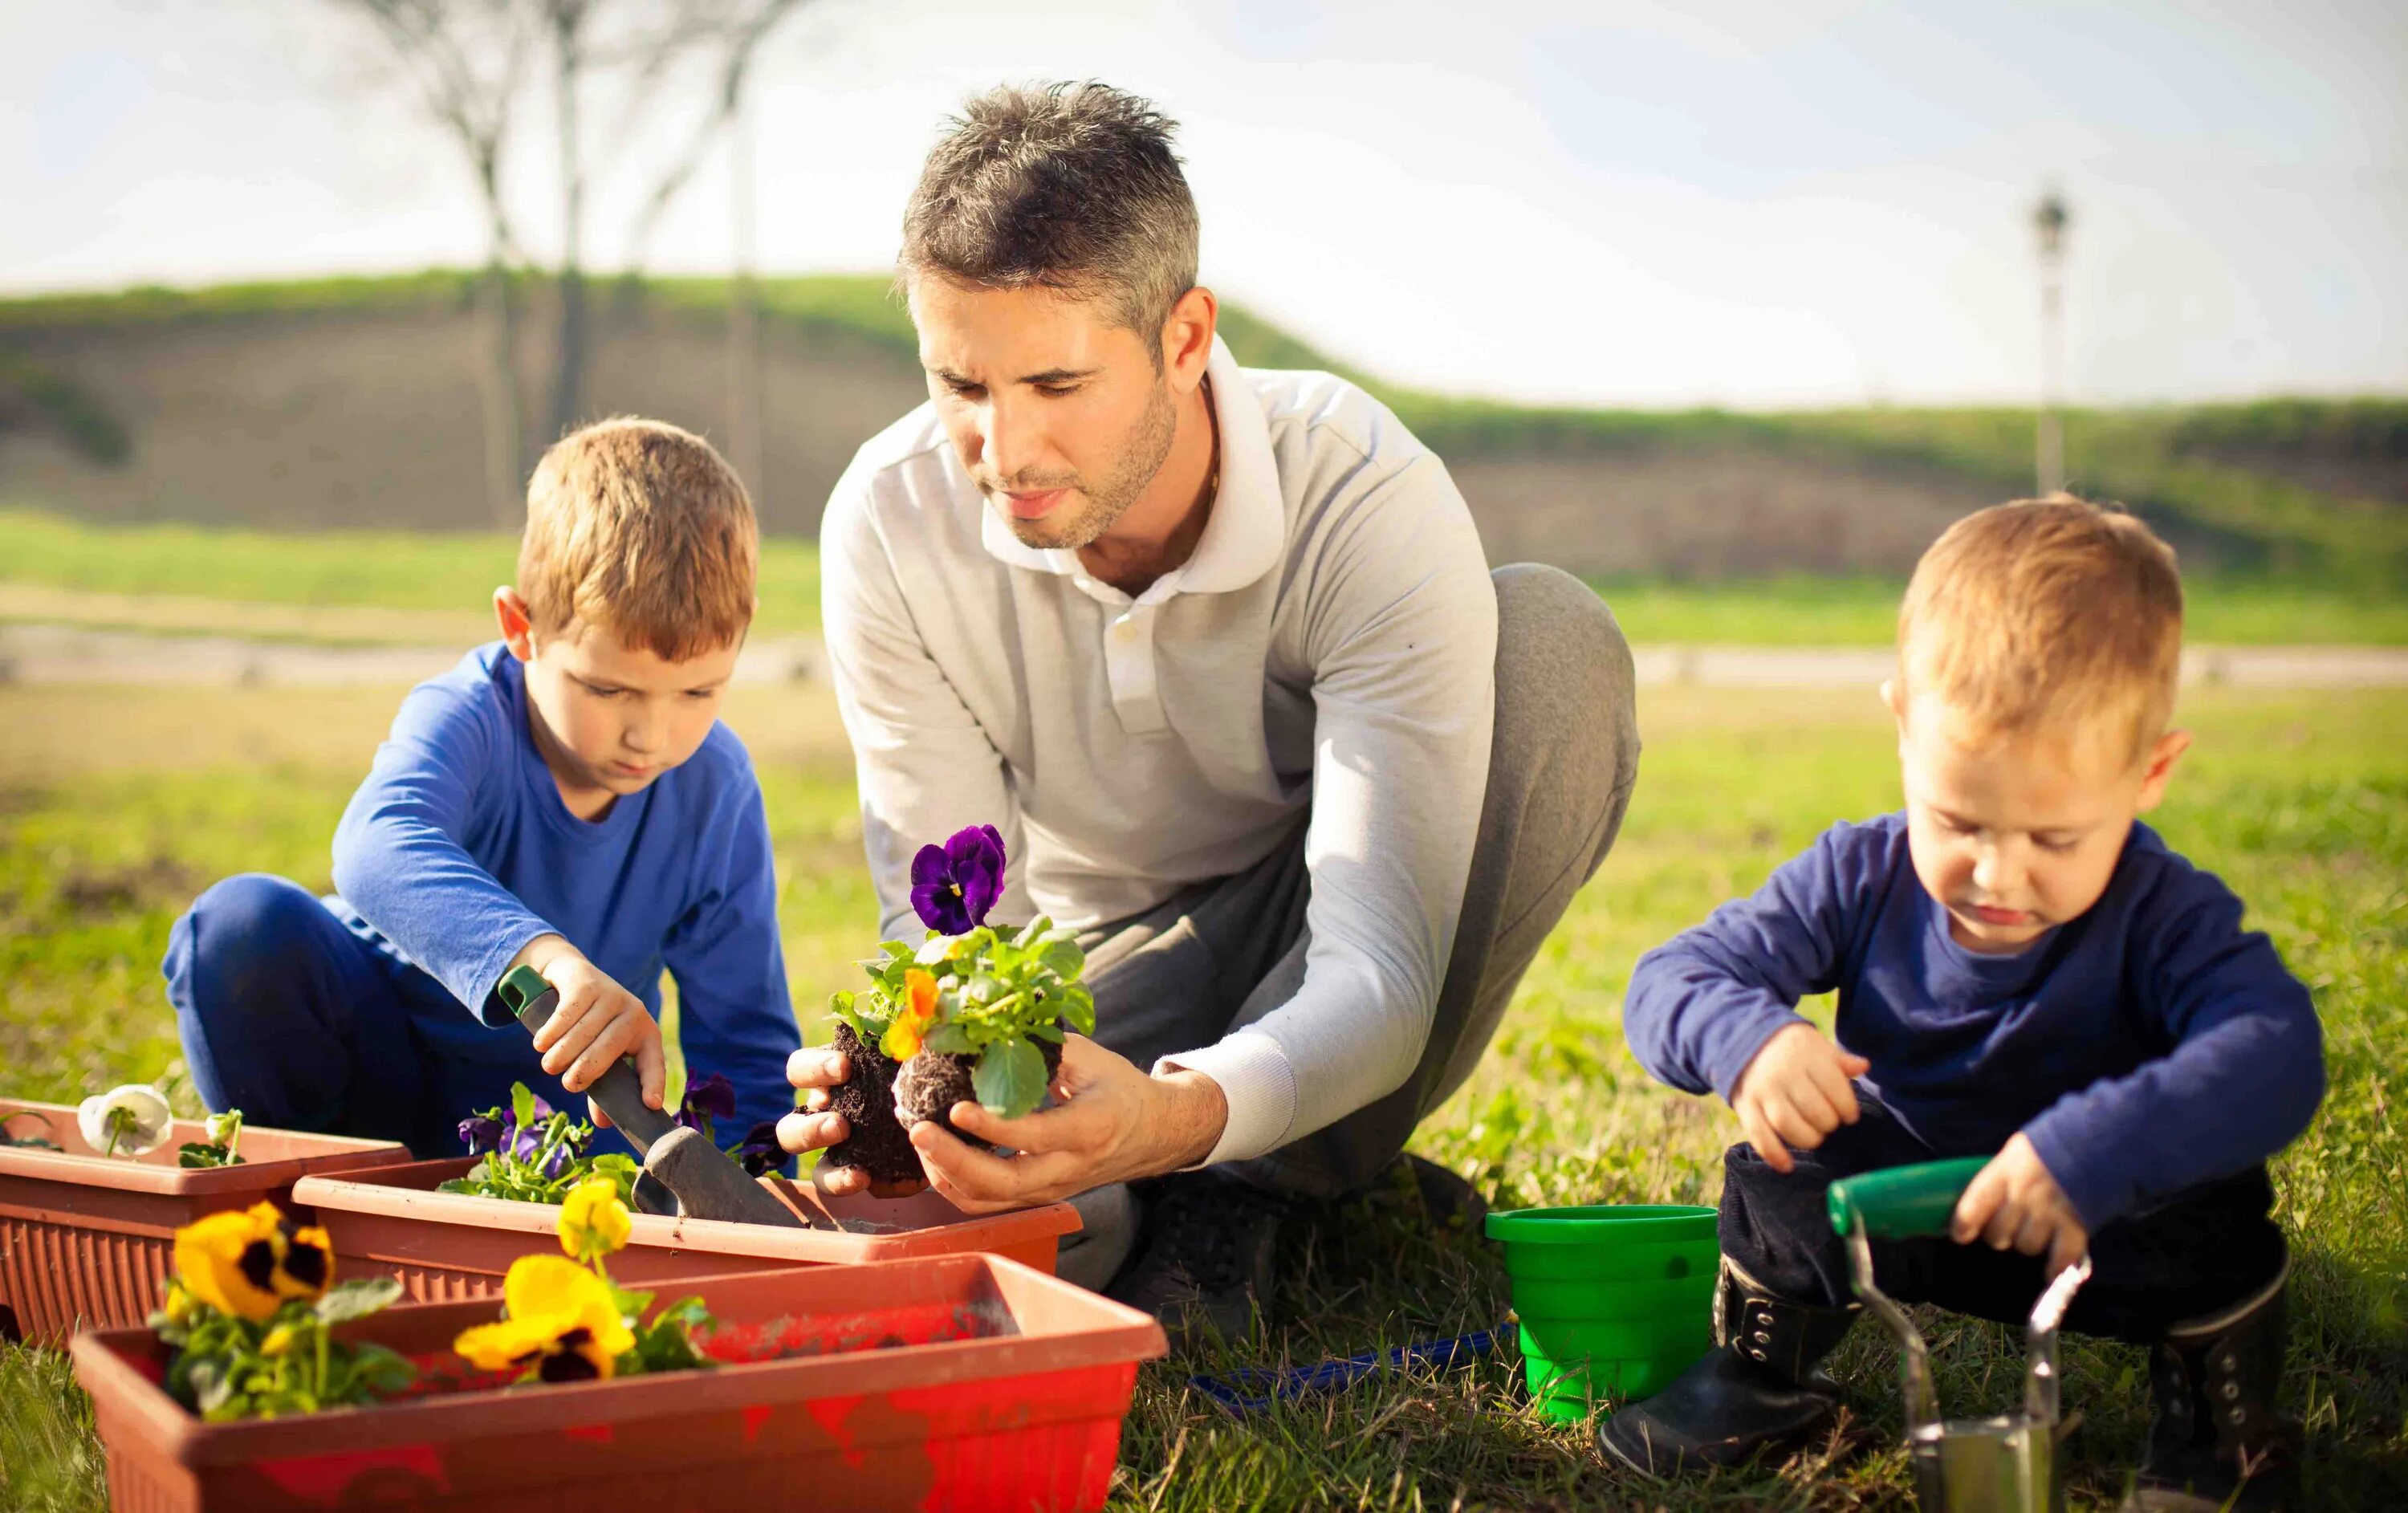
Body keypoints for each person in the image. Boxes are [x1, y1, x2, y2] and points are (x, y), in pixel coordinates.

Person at [775, 80, 1640, 1337]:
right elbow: (957, 933)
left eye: (1056, 384)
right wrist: (923, 1100)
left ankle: (1259, 1186)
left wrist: (1175, 1120)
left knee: (1554, 640)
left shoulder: (1361, 492)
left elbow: (1382, 966)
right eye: (958, 383)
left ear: (1185, 339)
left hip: (1337, 920)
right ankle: (1197, 1193)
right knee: (1016, 1211)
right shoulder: (891, 520)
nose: (1001, 451)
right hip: (1105, 973)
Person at [1602, 498, 2324, 1511]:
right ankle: (1761, 1375)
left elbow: (2279, 1049)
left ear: (2149, 770)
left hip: (2099, 1219)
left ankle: (2217, 1423)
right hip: (1906, 1202)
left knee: (2211, 1208)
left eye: (2055, 838)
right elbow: (1670, 976)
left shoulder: (2162, 912)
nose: (1997, 871)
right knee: (1789, 1162)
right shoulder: (1859, 872)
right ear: (1902, 722)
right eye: (1959, 818)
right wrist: (1749, 1040)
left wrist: (2102, 1149)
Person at [163, 418, 800, 1158]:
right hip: (375, 1081)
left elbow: (746, 1049)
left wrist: (755, 1205)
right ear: (520, 627)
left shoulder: (715, 787)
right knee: (238, 930)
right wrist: (544, 959)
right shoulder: (470, 713)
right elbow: (375, 848)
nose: (651, 736)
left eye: (697, 692)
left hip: (559, 1137)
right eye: (606, 688)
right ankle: (304, 1214)